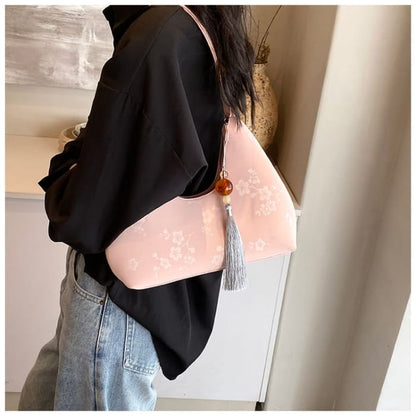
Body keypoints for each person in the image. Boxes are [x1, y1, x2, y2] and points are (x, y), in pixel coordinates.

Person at [18, 5, 256, 411]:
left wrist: (63, 176)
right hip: (143, 283)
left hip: (116, 294)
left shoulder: (158, 37)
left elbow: (88, 212)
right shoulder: (197, 28)